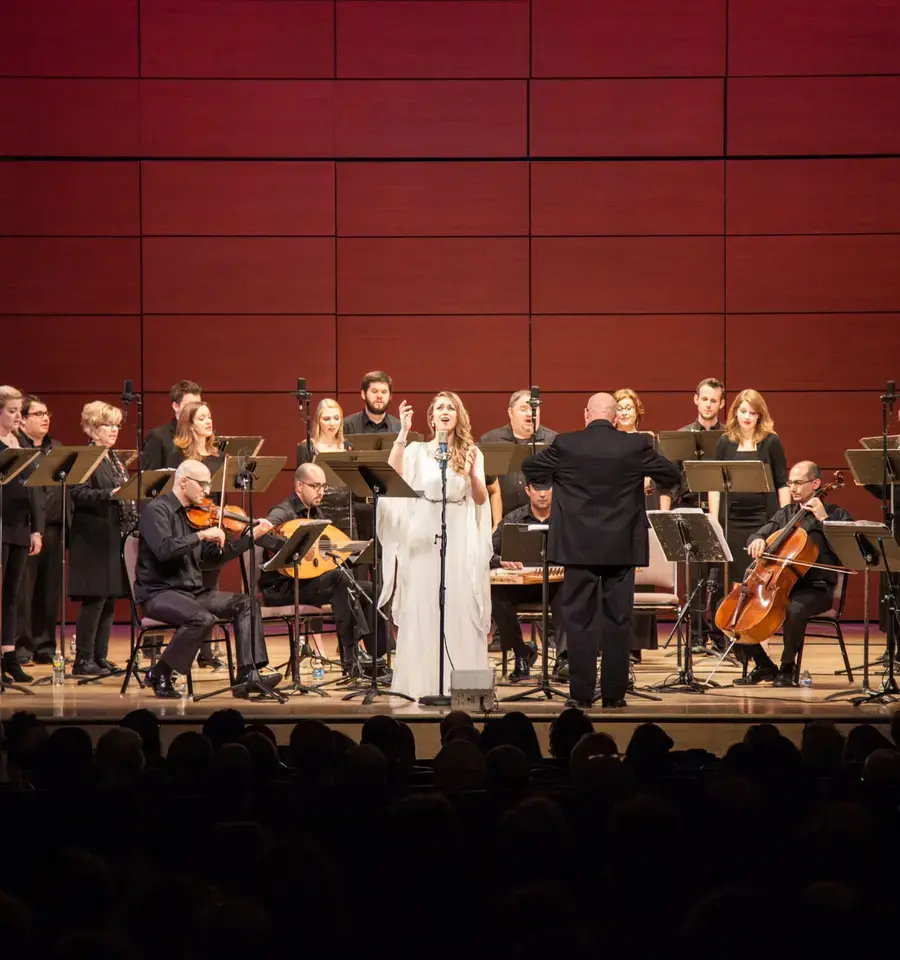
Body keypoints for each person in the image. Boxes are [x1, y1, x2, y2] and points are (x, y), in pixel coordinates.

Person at [522, 392, 679, 709]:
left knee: (579, 620)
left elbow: (531, 468)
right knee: (618, 621)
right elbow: (671, 475)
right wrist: (641, 479)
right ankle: (614, 695)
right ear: (616, 417)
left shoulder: (566, 445)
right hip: (621, 550)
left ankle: (580, 694)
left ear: (586, 414)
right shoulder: (635, 446)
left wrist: (559, 477)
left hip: (577, 550)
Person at [379, 391, 492, 700]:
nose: (445, 412)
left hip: (458, 535)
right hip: (423, 537)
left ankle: (466, 690)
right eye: (440, 407)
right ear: (431, 418)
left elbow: (481, 499)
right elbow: (392, 476)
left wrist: (471, 475)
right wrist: (402, 433)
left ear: (458, 416)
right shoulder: (416, 450)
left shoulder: (472, 451)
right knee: (424, 605)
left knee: (459, 604)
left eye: (450, 408)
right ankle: (422, 686)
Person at [134, 460, 278, 699]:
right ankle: (160, 671)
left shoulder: (195, 516)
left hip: (193, 593)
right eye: (202, 484)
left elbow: (213, 559)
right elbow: (164, 549)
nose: (207, 490)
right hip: (159, 593)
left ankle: (248, 675)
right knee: (202, 619)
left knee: (246, 603)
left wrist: (249, 538)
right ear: (183, 482)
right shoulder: (156, 510)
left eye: (209, 484)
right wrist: (201, 535)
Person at [735, 461, 852, 686]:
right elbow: (757, 534)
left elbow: (847, 547)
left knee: (795, 609)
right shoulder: (786, 513)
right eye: (790, 483)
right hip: (779, 586)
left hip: (815, 588)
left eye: (798, 483)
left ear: (816, 483)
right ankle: (764, 665)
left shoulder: (836, 513)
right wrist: (757, 540)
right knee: (732, 608)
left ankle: (787, 668)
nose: (793, 488)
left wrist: (823, 519)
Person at [261, 462, 383, 676]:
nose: (322, 492)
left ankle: (376, 657)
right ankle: (352, 658)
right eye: (316, 486)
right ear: (299, 486)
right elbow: (263, 534)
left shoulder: (317, 513)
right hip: (282, 587)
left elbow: (326, 549)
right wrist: (294, 547)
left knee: (372, 589)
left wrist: (356, 550)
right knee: (341, 580)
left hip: (310, 582)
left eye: (323, 486)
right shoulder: (283, 511)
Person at [707, 389, 790, 662]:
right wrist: (716, 523)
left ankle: (760, 649)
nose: (747, 417)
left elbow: (782, 483)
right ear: (735, 412)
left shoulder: (771, 442)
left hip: (763, 521)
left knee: (758, 584)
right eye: (743, 411)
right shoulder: (724, 442)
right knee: (735, 586)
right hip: (733, 522)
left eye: (752, 413)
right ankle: (740, 647)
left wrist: (783, 522)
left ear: (760, 415)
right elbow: (715, 487)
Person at [68, 401, 136, 677]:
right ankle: (83, 660)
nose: (113, 430)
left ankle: (101, 656)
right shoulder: (86, 456)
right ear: (91, 428)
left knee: (109, 598)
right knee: (94, 598)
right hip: (92, 537)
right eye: (107, 425)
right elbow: (78, 493)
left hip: (112, 535)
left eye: (116, 425)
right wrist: (112, 494)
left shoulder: (114, 457)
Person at [667, 377, 727, 651]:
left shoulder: (728, 438)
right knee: (694, 576)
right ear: (696, 399)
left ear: (721, 404)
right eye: (704, 399)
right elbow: (669, 482)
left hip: (720, 512)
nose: (708, 404)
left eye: (713, 400)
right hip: (689, 509)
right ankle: (695, 636)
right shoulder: (682, 436)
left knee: (719, 577)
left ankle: (718, 633)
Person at [490, 480, 565, 681]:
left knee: (569, 592)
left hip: (555, 585)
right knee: (496, 594)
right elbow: (487, 551)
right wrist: (501, 560)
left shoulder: (565, 518)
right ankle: (521, 652)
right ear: (527, 490)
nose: (542, 494)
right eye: (537, 489)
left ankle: (564, 659)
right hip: (522, 585)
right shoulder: (513, 519)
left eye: (547, 489)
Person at [614, 387, 667, 660]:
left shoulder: (648, 439)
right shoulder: (608, 440)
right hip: (615, 513)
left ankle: (635, 645)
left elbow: (662, 476)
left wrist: (650, 480)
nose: (624, 412)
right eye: (619, 407)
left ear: (637, 412)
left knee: (639, 579)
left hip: (642, 510)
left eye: (628, 408)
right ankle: (613, 642)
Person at [16, 395, 67, 666]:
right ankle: (22, 646)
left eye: (47, 413)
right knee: (25, 590)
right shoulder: (18, 449)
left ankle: (45, 645)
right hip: (27, 527)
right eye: (37, 414)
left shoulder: (55, 448)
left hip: (55, 527)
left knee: (49, 590)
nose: (45, 418)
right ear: (22, 420)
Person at [0, 386, 45, 684]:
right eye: (12, 411)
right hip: (0, 524)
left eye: (19, 411)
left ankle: (10, 657)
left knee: (12, 595)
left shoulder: (21, 442)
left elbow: (34, 490)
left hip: (19, 525)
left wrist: (36, 529)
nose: (18, 416)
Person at [480, 389, 558, 528]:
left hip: (544, 521)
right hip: (501, 522)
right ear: (510, 412)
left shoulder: (554, 441)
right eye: (523, 409)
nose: (529, 413)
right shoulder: (491, 441)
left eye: (534, 409)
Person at [296, 399, 356, 537]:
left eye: (336, 418)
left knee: (351, 556)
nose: (332, 423)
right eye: (326, 419)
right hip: (319, 511)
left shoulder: (348, 446)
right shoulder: (307, 447)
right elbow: (301, 486)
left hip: (346, 513)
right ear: (318, 420)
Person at [141, 379, 202, 470]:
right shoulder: (158, 437)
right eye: (190, 405)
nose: (195, 409)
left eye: (198, 405)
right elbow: (149, 479)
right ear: (175, 406)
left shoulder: (203, 435)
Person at [342, 370, 402, 436]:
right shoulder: (346, 426)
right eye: (374, 391)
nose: (379, 396)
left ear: (390, 396)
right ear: (363, 394)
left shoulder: (400, 428)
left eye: (384, 392)